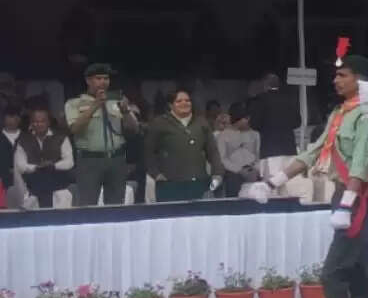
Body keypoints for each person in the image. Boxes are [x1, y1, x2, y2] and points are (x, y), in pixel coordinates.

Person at [259, 44, 368, 298]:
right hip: (344, 195)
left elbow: (360, 162)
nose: (336, 80)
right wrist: (276, 180)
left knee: (332, 272)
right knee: (356, 271)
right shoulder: (340, 113)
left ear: (362, 81)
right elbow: (315, 151)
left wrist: (347, 203)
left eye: (343, 75)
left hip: (355, 198)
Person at [64, 62, 141, 206]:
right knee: (87, 205)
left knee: (116, 206)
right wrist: (95, 105)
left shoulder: (116, 101)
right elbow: (75, 129)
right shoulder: (74, 103)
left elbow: (134, 129)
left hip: (116, 160)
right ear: (88, 80)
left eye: (106, 78)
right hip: (89, 161)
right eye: (98, 78)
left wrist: (126, 111)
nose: (103, 82)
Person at [146, 88, 221, 202]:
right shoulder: (159, 123)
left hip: (198, 183)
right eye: (179, 101)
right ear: (170, 105)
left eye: (187, 100)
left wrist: (217, 174)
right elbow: (147, 152)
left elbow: (213, 151)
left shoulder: (201, 122)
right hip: (169, 185)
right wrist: (155, 174)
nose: (184, 103)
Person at [14, 105, 73, 209]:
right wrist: (36, 167)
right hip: (33, 184)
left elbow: (69, 162)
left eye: (42, 121)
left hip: (58, 188)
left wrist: (53, 166)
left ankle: (34, 197)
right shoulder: (23, 140)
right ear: (31, 124)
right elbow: (20, 165)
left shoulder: (61, 137)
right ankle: (34, 197)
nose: (39, 124)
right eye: (35, 122)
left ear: (48, 122)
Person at [216, 108, 261, 198]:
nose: (248, 121)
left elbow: (258, 154)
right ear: (238, 120)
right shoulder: (223, 135)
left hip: (252, 172)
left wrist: (255, 169)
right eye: (245, 119)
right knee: (234, 201)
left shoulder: (255, 134)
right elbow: (223, 158)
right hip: (233, 174)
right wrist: (239, 170)